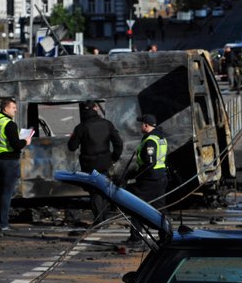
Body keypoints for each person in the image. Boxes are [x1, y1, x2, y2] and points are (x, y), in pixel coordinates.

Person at [68, 100, 124, 221]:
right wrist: (114, 157)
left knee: (94, 191)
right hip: (105, 162)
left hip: (88, 164)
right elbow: (118, 143)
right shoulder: (107, 124)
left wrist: (73, 136)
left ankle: (99, 218)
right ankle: (104, 216)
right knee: (104, 187)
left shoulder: (81, 127)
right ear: (96, 109)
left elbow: (72, 147)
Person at [0, 97, 32, 232]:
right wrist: (26, 141)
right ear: (5, 108)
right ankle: (4, 224)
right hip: (8, 162)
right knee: (6, 194)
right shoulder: (10, 124)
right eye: (13, 107)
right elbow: (16, 145)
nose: (16, 110)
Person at [127, 113, 168, 243]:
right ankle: (166, 235)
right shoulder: (161, 138)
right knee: (160, 208)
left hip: (149, 179)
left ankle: (136, 236)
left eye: (141, 124)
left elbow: (150, 162)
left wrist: (136, 177)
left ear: (146, 125)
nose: (140, 126)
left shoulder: (150, 140)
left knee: (136, 205)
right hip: (160, 176)